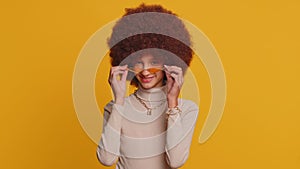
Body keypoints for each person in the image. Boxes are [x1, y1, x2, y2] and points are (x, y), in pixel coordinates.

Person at [96, 4, 199, 169]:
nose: (145, 71)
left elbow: (176, 161)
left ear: (169, 62)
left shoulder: (186, 109)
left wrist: (172, 104)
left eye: (153, 62)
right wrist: (119, 101)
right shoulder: (115, 107)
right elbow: (107, 159)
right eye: (138, 62)